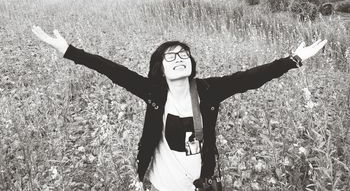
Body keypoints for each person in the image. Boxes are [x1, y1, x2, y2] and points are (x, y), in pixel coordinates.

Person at [31, 25, 327, 191]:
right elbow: (113, 70)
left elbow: (250, 78)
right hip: (161, 184)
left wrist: (294, 59)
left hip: (200, 185)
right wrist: (69, 51)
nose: (180, 59)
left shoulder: (209, 91)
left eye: (184, 55)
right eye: (170, 58)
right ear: (160, 69)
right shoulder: (153, 92)